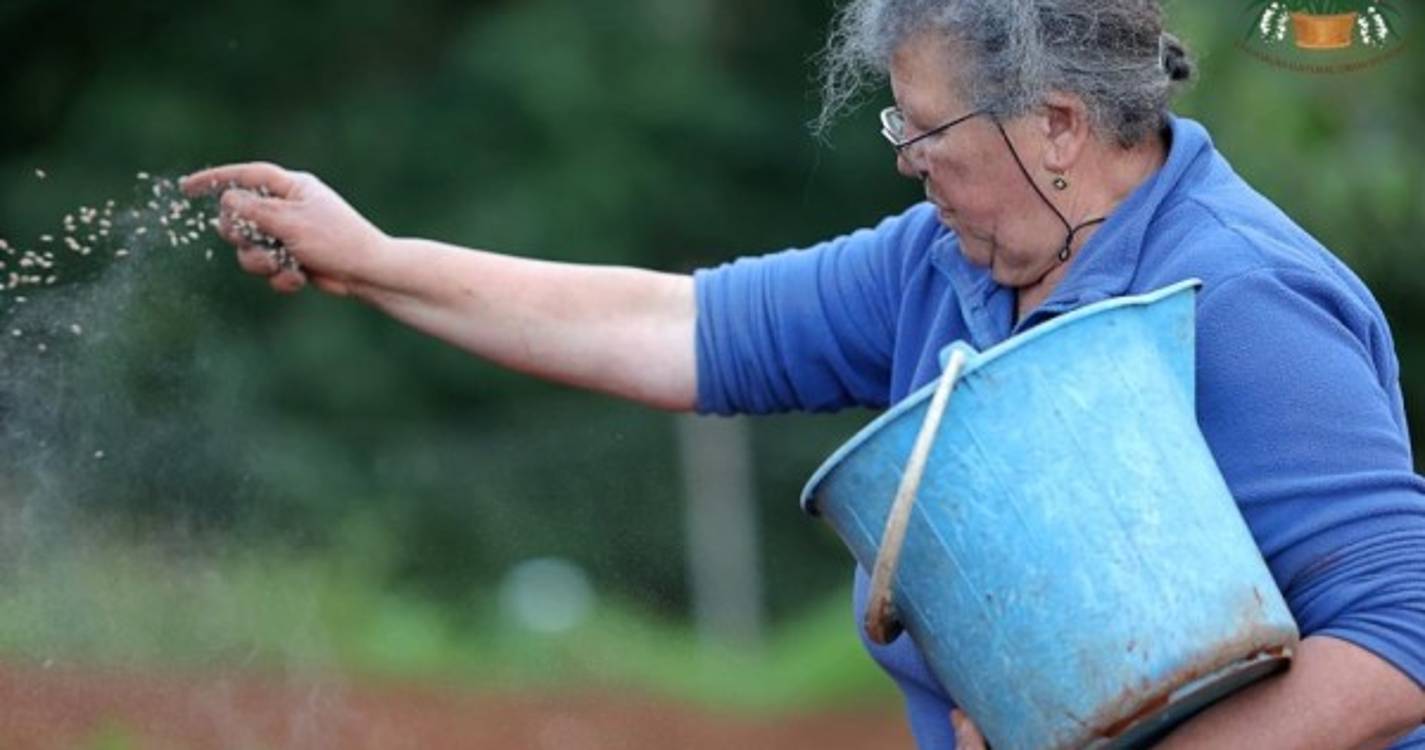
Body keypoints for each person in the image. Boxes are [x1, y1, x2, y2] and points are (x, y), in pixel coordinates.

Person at [182, 0, 1425, 746]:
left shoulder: (1248, 297)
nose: (908, 165)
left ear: (1055, 123)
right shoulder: (946, 263)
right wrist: (381, 260)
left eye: (925, 132)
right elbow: (677, 327)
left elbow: (1400, 641)